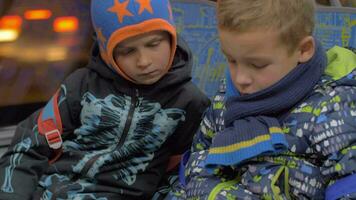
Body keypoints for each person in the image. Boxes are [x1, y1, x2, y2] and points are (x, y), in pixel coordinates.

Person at [0, 0, 210, 199]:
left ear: (172, 37)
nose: (144, 61)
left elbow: (181, 174)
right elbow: (28, 147)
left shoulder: (190, 103)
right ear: (107, 52)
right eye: (127, 51)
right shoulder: (81, 86)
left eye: (153, 44)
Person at [166, 0, 356, 199]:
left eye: (257, 65)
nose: (240, 78)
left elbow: (348, 188)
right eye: (231, 60)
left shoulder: (334, 111)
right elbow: (190, 168)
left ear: (303, 50)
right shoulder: (226, 100)